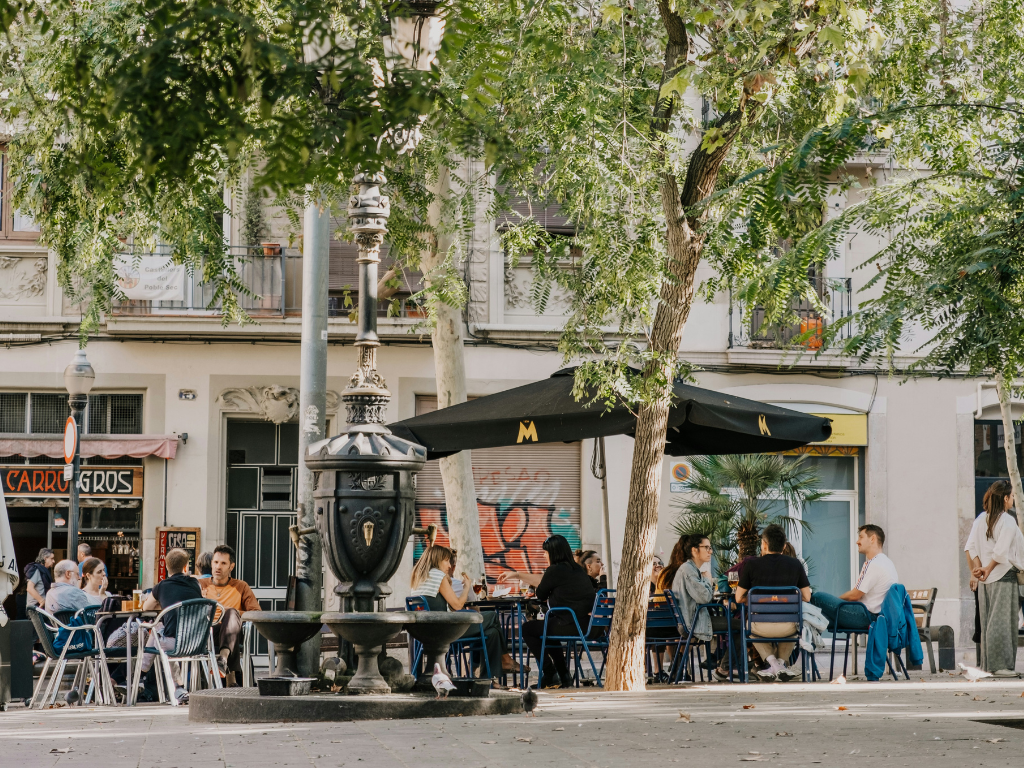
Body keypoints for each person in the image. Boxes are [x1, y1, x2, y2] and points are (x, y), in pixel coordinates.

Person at [499, 535, 597, 688]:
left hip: (571, 624)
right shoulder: (577, 569)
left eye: (545, 552)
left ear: (553, 552)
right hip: (588, 624)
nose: (544, 555)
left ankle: (550, 673)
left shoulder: (555, 570)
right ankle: (563, 676)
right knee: (547, 628)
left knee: (528, 629)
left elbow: (541, 594)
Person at [410, 545, 520, 679]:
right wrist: (467, 587)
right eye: (446, 560)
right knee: (492, 616)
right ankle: (505, 661)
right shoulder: (438, 575)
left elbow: (440, 605)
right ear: (437, 560)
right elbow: (457, 605)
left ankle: (490, 679)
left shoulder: (419, 575)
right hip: (443, 631)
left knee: (492, 633)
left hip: (425, 629)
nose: (449, 566)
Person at [734, 524, 811, 681]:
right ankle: (779, 666)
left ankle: (773, 664)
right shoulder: (796, 564)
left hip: (760, 626)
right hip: (788, 627)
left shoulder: (751, 565)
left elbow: (739, 598)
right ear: (784, 545)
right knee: (795, 626)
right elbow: (807, 597)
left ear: (764, 544)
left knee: (751, 627)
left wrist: (757, 602)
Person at [965, 480, 1024, 676]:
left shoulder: (981, 518)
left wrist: (979, 568)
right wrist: (987, 569)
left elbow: (970, 547)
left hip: (986, 579)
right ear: (1005, 498)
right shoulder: (1007, 520)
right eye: (1012, 496)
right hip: (1003, 575)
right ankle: (1001, 667)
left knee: (989, 621)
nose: (1013, 500)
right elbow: (1000, 553)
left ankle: (989, 665)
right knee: (1003, 621)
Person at [141, 548, 203, 703]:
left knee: (157, 629)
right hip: (197, 642)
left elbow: (146, 608)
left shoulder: (161, 586)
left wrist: (162, 604)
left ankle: (141, 673)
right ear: (186, 567)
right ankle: (179, 687)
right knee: (160, 631)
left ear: (166, 567)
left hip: (173, 643)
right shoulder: (196, 584)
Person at [810, 524, 899, 633]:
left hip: (866, 616)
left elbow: (854, 595)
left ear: (872, 539)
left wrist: (835, 601)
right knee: (819, 619)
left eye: (861, 537)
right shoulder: (887, 562)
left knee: (817, 597)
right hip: (878, 616)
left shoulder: (875, 563)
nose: (857, 541)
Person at [201, 544, 259, 685]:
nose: (218, 567)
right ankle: (230, 677)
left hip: (233, 631)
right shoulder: (200, 585)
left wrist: (229, 611)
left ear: (231, 567)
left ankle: (223, 658)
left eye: (223, 563)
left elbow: (256, 613)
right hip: (208, 633)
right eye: (215, 562)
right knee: (229, 619)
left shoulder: (241, 586)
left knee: (232, 613)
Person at [24, 548, 54, 612]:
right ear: (45, 558)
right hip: (35, 608)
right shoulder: (36, 569)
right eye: (52, 558)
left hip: (40, 608)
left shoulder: (43, 570)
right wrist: (42, 601)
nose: (53, 561)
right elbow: (30, 588)